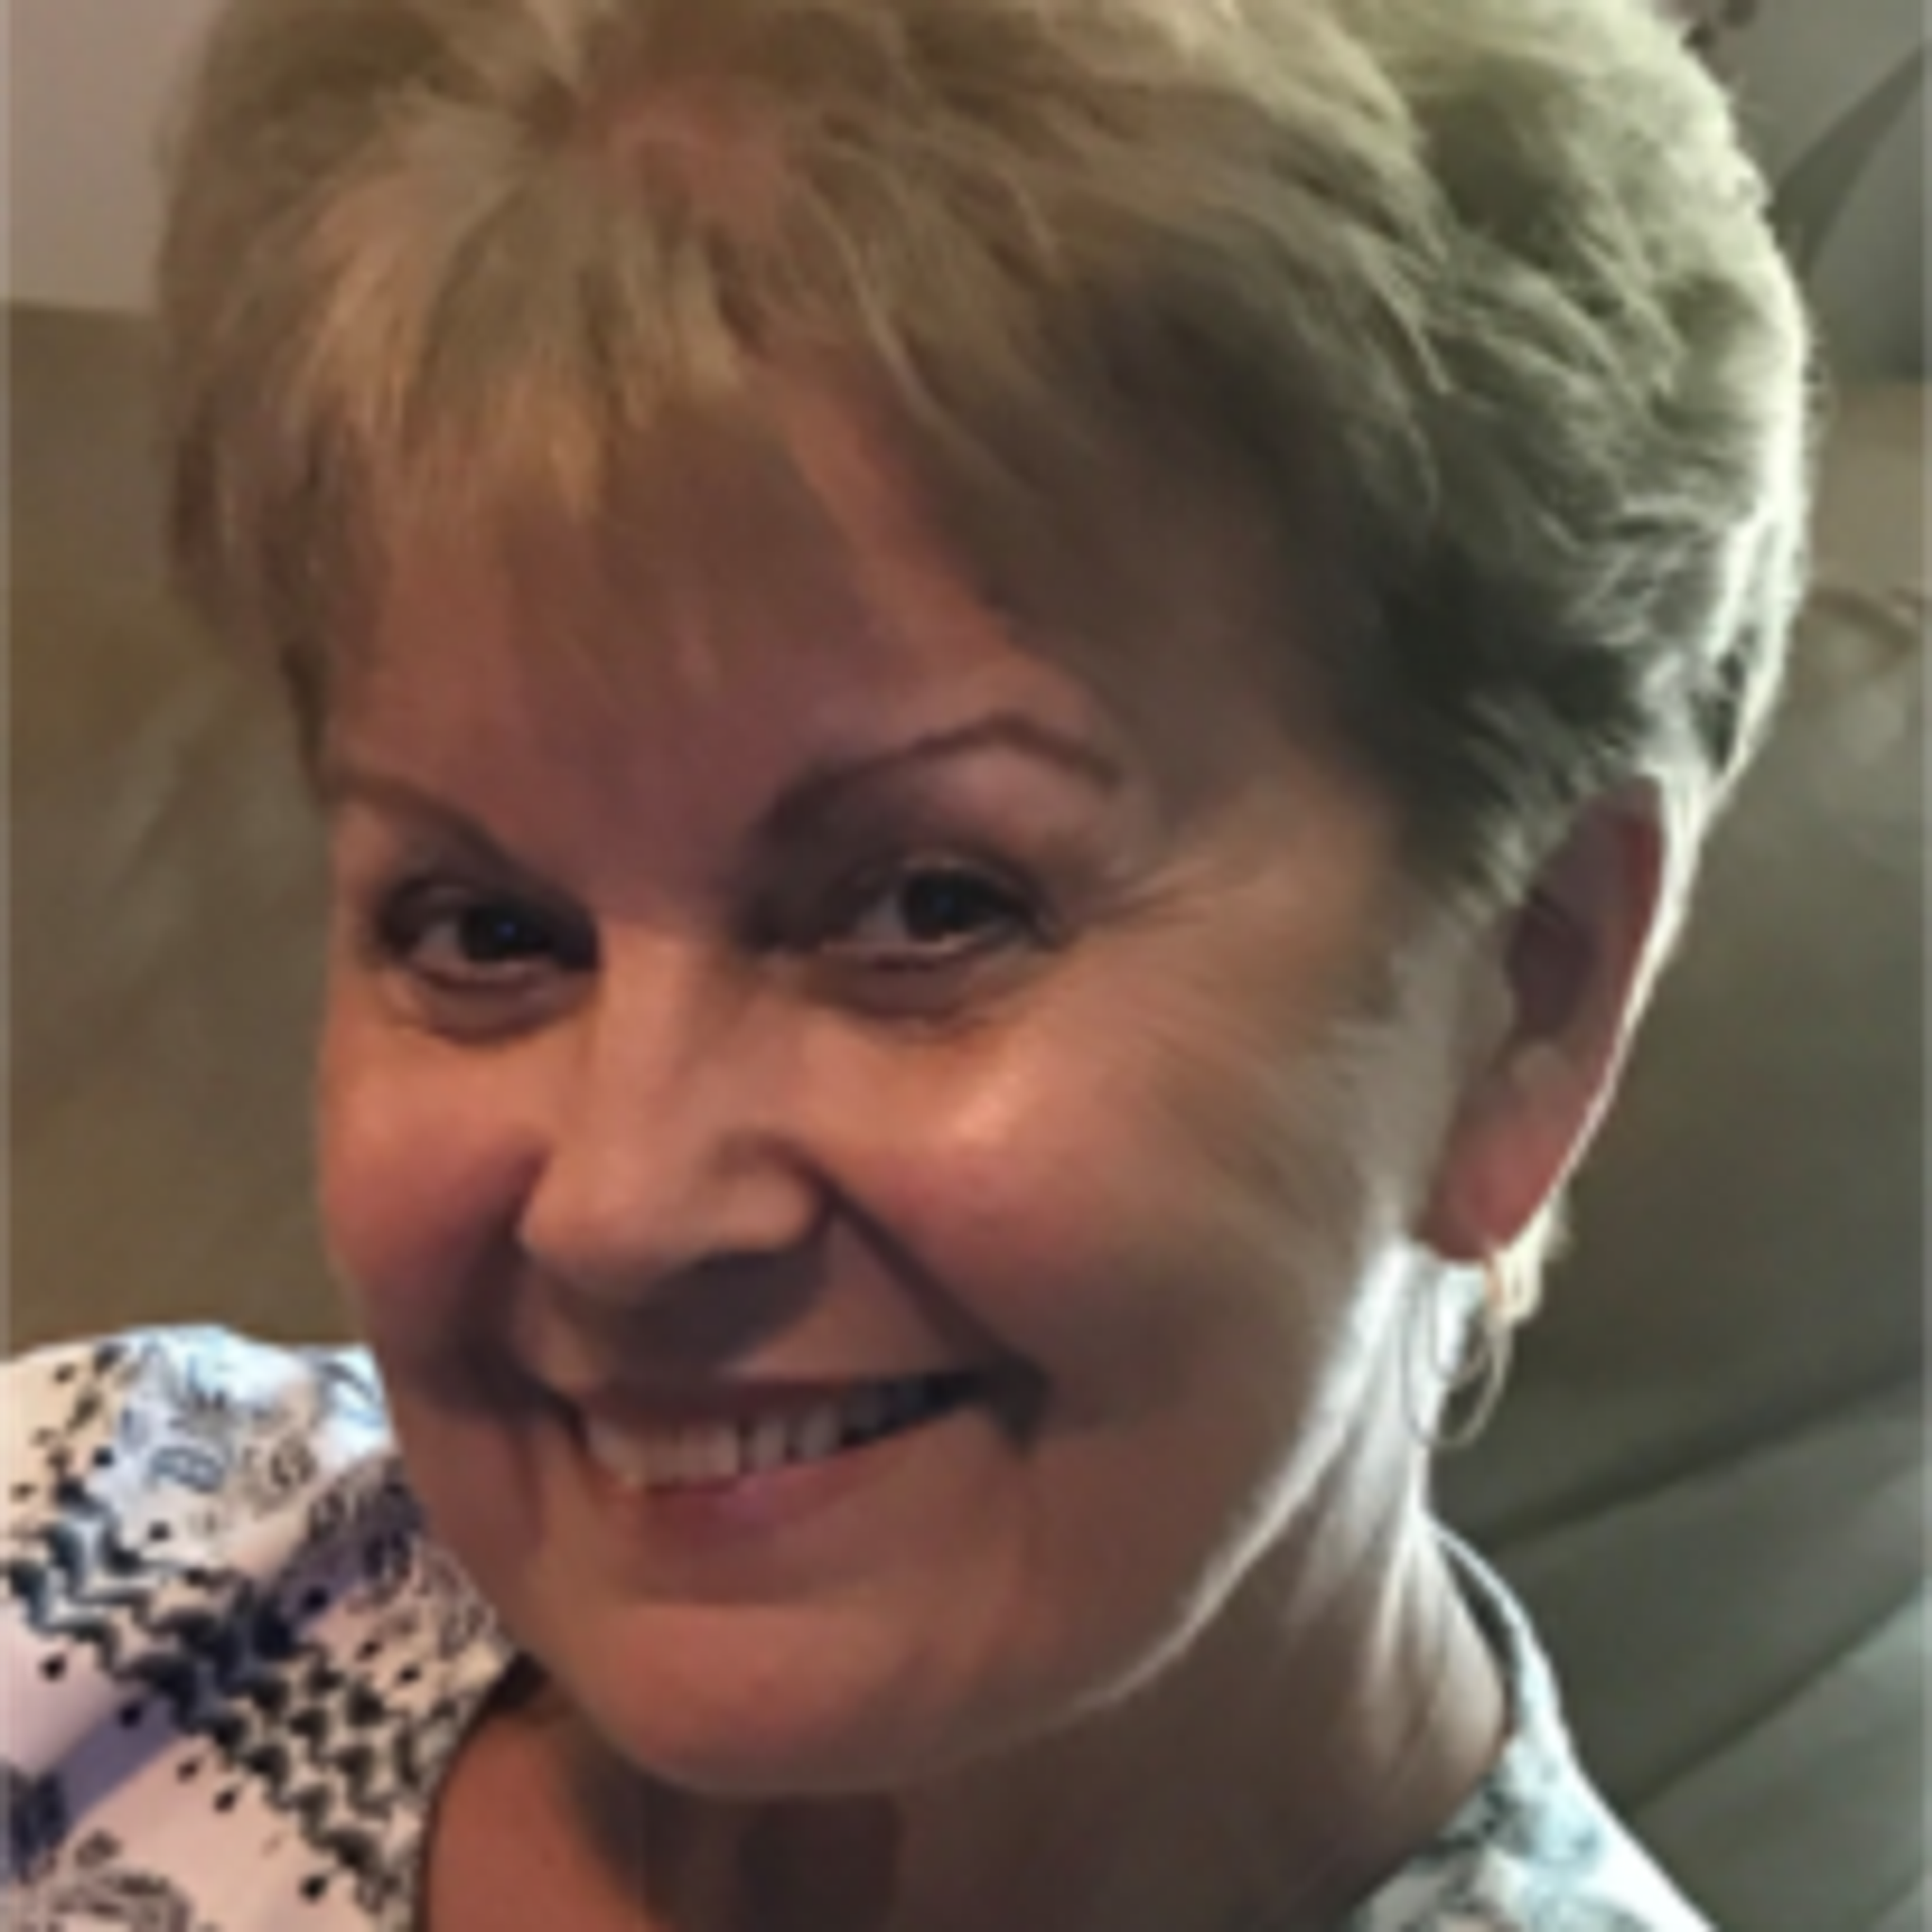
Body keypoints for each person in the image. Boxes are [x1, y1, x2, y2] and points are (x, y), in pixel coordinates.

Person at [0, 0, 1811, 1925]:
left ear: (1530, 994)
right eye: (486, 931)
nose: (621, 1209)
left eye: (928, 906)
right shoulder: (87, 1542)